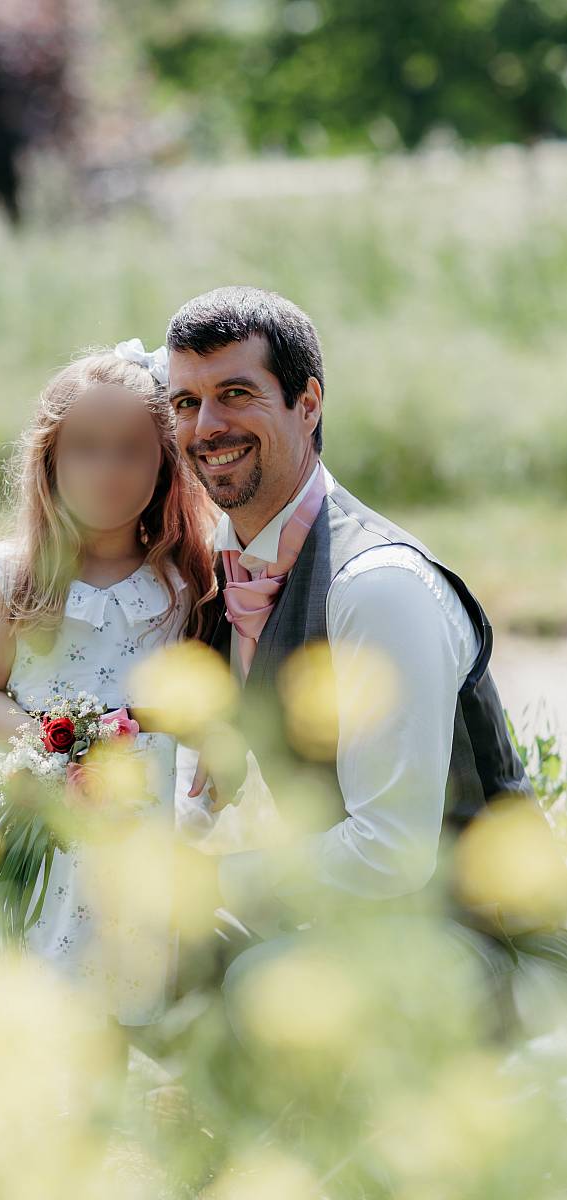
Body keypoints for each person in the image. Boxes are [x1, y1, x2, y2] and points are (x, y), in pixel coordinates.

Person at [165, 284, 567, 1042]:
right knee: (141, 957)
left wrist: (212, 882)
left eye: (235, 394)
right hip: (355, 925)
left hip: (491, 946)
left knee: (261, 985)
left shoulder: (375, 586)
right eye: (184, 403)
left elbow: (390, 852)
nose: (206, 426)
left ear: (307, 402)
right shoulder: (232, 567)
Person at [0, 341, 224, 1040]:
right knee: (19, 975)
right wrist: (47, 740)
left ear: (165, 465)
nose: (109, 470)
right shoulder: (18, 577)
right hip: (38, 820)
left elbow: (198, 699)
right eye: (87, 449)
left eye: (132, 450)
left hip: (130, 833)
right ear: (50, 461)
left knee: (109, 989)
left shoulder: (181, 582)